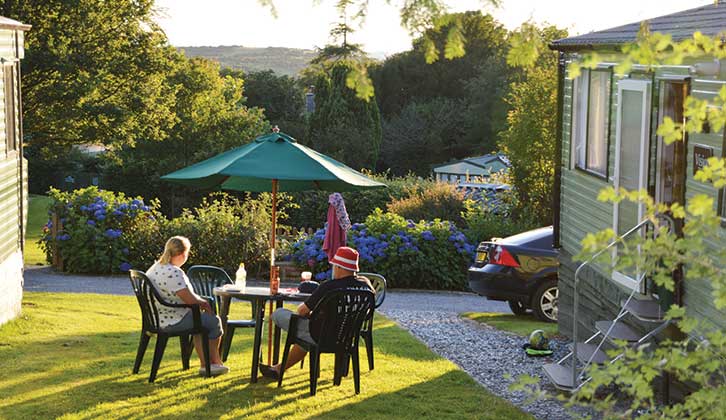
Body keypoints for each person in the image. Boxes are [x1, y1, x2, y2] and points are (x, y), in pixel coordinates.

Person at [259, 246, 373, 380]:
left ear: (339, 267)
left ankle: (278, 369)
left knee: (278, 314)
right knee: (304, 336)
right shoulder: (366, 286)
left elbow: (302, 311)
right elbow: (367, 313)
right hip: (347, 337)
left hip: (319, 334)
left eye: (334, 265)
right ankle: (278, 369)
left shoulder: (329, 286)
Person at [146, 236, 230, 376]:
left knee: (201, 321)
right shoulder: (174, 272)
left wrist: (201, 303)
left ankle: (207, 363)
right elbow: (189, 299)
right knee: (213, 321)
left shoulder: (155, 268)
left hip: (157, 317)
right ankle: (213, 362)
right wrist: (204, 303)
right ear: (183, 254)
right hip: (173, 319)